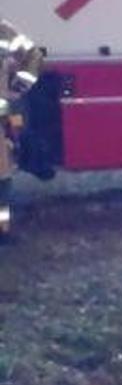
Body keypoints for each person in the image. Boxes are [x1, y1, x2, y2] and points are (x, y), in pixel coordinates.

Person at [0, 21, 43, 238]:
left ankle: (2, 232)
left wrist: (19, 85)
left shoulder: (4, 31)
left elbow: (33, 56)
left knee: (2, 181)